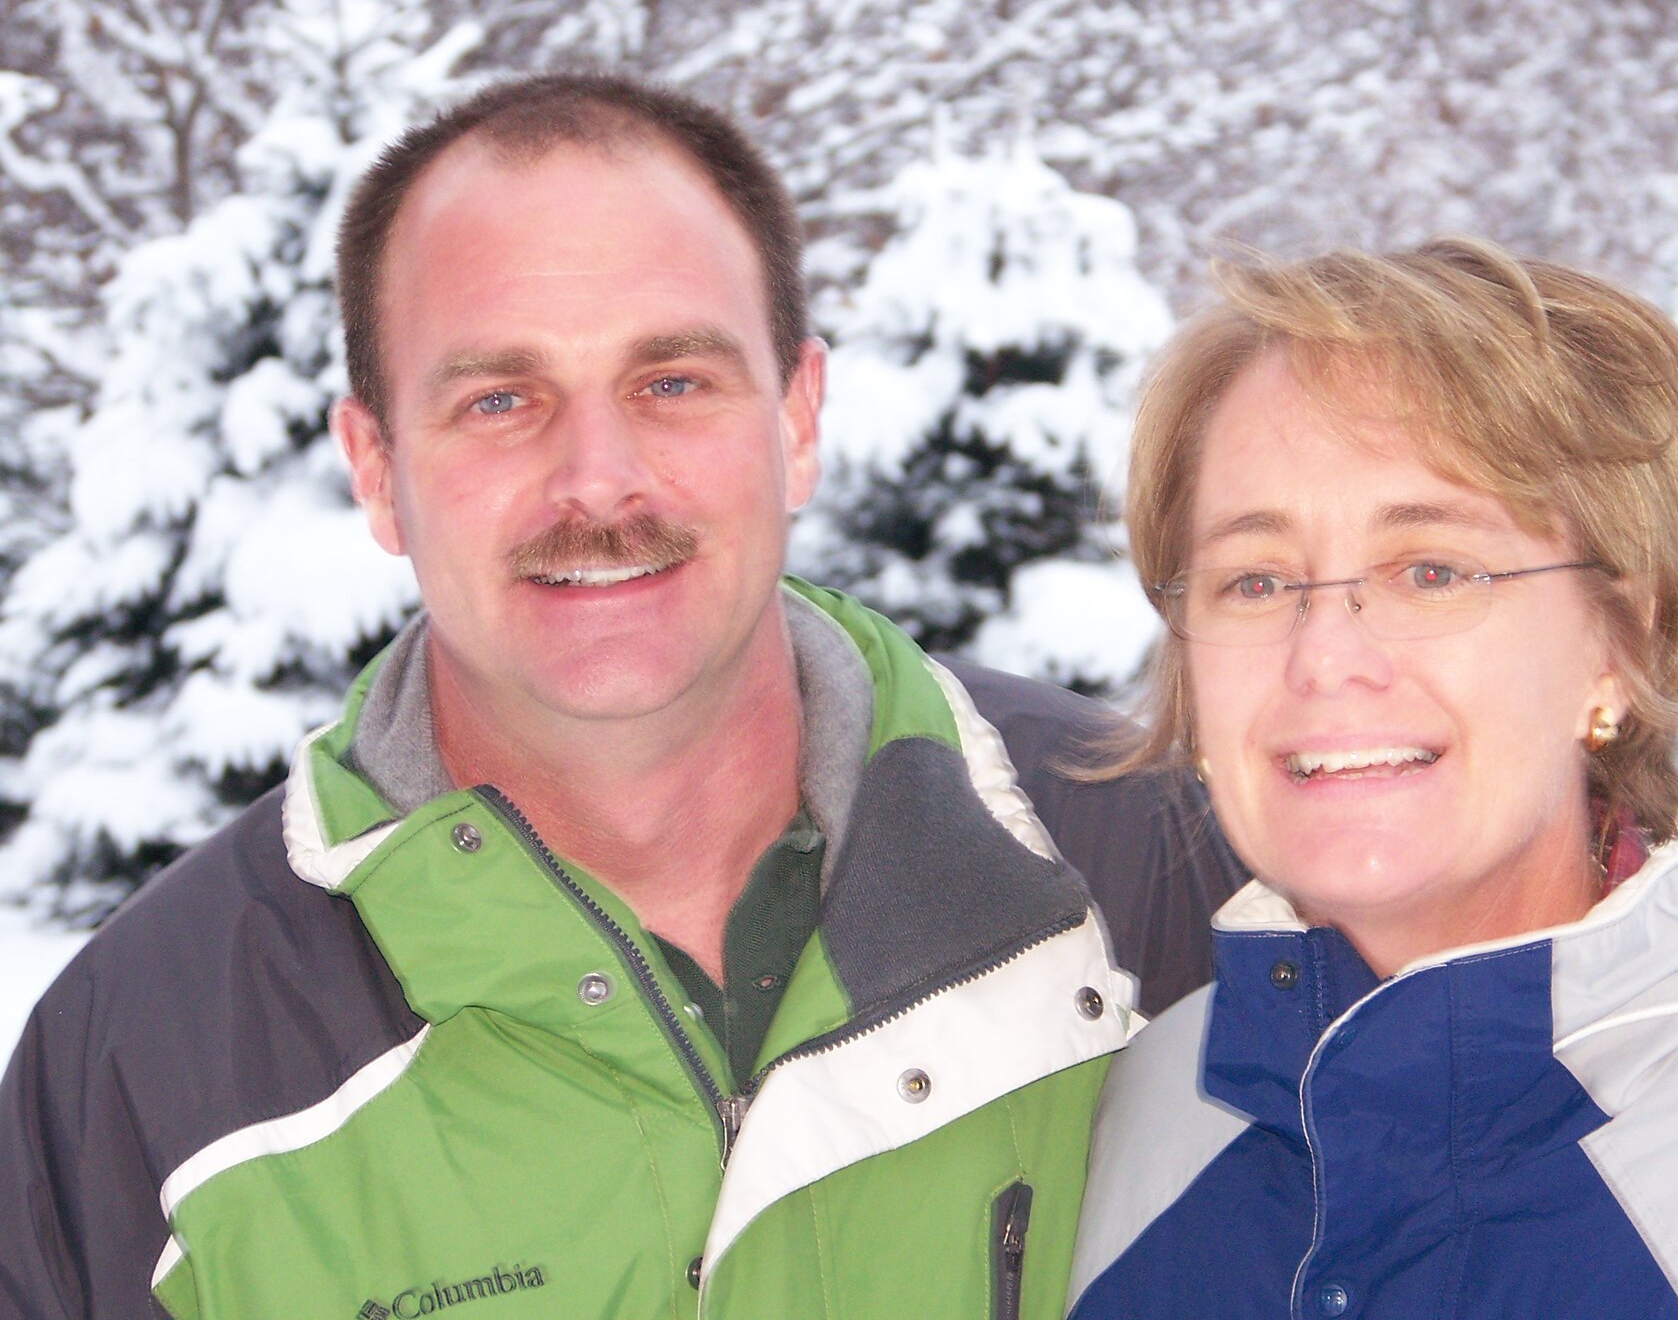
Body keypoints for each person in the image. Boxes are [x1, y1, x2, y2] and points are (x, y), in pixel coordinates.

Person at [0, 72, 1240, 1320]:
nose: (596, 483)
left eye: (672, 382)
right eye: (499, 399)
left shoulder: (1159, 865)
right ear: (376, 469)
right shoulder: (141, 1069)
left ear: (797, 418)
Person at [1066, 239, 1678, 1319]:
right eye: (1256, 579)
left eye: (1430, 571)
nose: (1321, 655)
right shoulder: (1127, 1134)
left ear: (1620, 643)